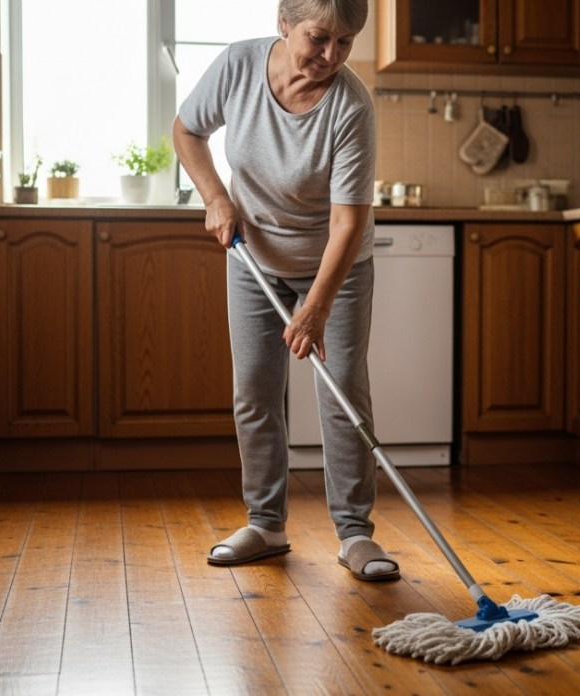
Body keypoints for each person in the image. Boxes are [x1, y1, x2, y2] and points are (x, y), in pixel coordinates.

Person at [173, 0, 398, 581]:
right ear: (284, 22)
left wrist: (316, 307)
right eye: (319, 37)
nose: (330, 56)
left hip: (335, 265)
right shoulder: (238, 67)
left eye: (345, 43)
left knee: (341, 388)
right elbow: (187, 129)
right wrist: (216, 197)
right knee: (255, 386)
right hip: (254, 257)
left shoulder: (351, 106)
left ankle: (355, 534)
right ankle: (266, 524)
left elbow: (348, 223)